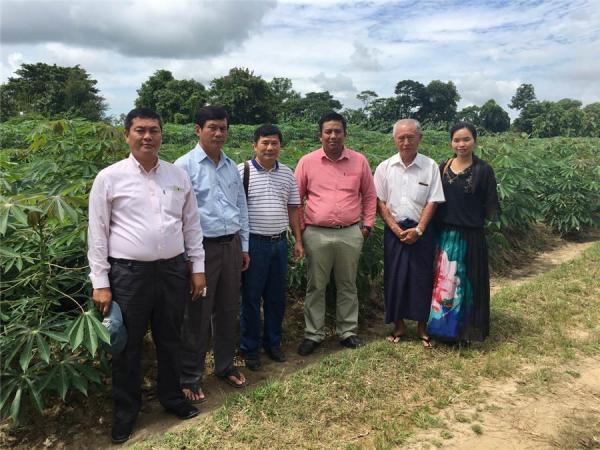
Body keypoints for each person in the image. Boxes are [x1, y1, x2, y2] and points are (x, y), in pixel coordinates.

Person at [87, 108, 206, 444]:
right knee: (127, 347)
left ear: (162, 134)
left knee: (171, 339)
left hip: (171, 270)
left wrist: (197, 269)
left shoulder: (177, 176)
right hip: (129, 275)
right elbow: (97, 234)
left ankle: (171, 399)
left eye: (154, 130)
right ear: (127, 134)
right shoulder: (109, 178)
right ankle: (127, 413)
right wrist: (101, 283)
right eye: (140, 130)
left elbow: (191, 226)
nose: (147, 137)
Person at [175, 106, 249, 402]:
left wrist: (244, 246)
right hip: (201, 249)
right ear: (198, 130)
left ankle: (224, 366)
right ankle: (190, 376)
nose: (219, 133)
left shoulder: (232, 166)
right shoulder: (183, 166)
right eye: (212, 127)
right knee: (197, 315)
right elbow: (178, 215)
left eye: (223, 128)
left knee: (229, 310)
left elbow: (241, 207)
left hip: (230, 246)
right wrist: (191, 260)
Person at [294, 112, 377, 355]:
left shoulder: (359, 161)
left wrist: (367, 225)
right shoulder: (307, 162)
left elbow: (370, 195)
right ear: (320, 135)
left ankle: (348, 331)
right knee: (316, 286)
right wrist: (301, 230)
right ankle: (313, 334)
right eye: (328, 131)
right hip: (316, 233)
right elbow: (295, 198)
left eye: (337, 131)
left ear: (345, 134)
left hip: (350, 232)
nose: (333, 136)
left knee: (347, 284)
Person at [374, 119, 445, 348]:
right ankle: (399, 324)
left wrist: (419, 229)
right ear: (394, 139)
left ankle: (422, 325)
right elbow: (380, 202)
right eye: (401, 137)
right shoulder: (385, 167)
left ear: (419, 139)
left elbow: (433, 200)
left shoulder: (430, 166)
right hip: (394, 230)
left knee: (422, 278)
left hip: (421, 230)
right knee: (395, 278)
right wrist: (395, 229)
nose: (406, 142)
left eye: (410, 137)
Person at [238, 124, 304, 370]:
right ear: (254, 145)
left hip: (279, 243)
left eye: (274, 143)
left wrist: (297, 240)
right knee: (252, 299)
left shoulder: (287, 173)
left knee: (276, 298)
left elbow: (293, 208)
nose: (269, 147)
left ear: (280, 146)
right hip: (253, 244)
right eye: (264, 143)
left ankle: (273, 343)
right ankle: (250, 348)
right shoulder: (241, 171)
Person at [427, 122, 500, 343]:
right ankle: (443, 329)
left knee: (467, 283)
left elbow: (491, 204)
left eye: (466, 139)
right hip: (446, 235)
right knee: (445, 284)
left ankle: (466, 330)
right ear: (451, 142)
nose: (461, 144)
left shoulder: (483, 169)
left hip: (471, 236)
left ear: (475, 141)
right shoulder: (443, 167)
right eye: (457, 140)